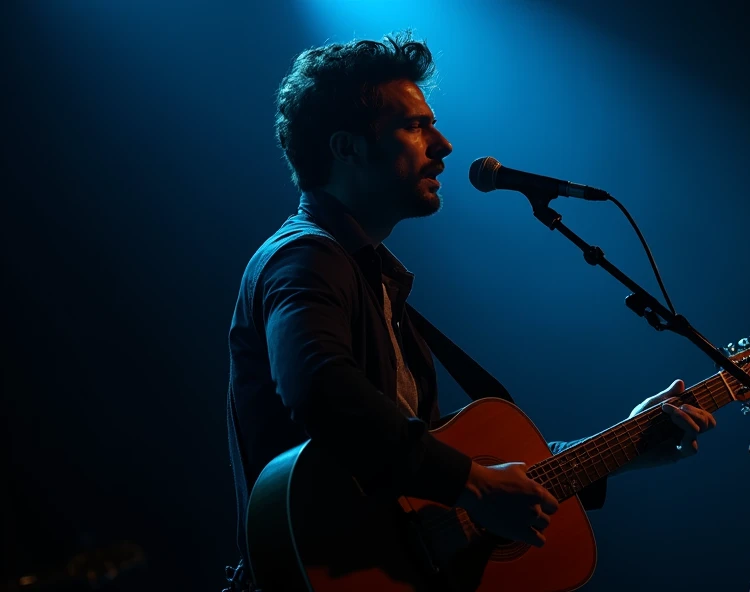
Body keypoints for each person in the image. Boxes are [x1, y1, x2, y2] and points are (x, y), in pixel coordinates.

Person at [226, 30, 715, 576]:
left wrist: (626, 446)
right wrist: (473, 484)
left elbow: (423, 468)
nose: (444, 145)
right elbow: (320, 390)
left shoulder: (373, 279)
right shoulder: (305, 259)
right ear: (347, 148)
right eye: (414, 126)